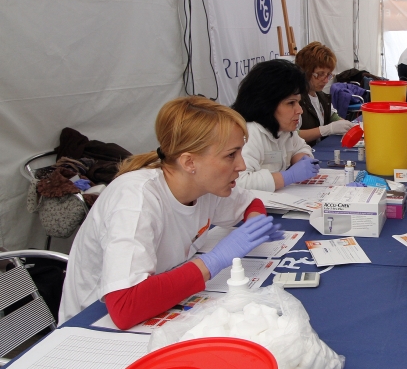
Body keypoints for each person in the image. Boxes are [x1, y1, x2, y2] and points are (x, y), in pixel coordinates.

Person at [59, 96, 284, 329]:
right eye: (231, 155)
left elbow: (249, 203)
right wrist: (213, 261)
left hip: (153, 301)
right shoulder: (135, 199)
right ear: (189, 162)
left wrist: (254, 223)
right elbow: (125, 307)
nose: (242, 165)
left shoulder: (204, 185)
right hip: (92, 322)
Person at [232, 59, 319, 192]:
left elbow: (300, 147)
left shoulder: (282, 128)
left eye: (298, 102)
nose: (300, 110)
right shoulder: (247, 134)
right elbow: (239, 182)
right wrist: (288, 176)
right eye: (291, 103)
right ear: (266, 104)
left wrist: (303, 158)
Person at [293, 42, 354, 147]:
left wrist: (347, 125)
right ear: (305, 72)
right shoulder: (295, 100)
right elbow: (292, 136)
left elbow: (331, 115)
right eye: (320, 74)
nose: (326, 80)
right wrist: (326, 130)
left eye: (328, 74)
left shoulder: (321, 97)